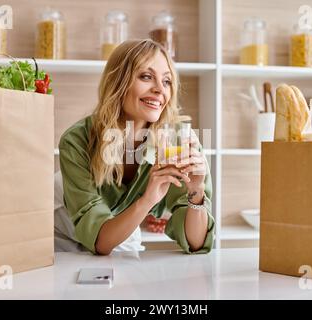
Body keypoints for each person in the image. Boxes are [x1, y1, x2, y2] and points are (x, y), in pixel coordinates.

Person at [58, 39, 214, 255]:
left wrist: (196, 191)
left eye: (167, 81)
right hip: (63, 221)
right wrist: (148, 199)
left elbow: (196, 244)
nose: (160, 89)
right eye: (146, 76)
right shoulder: (77, 141)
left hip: (119, 221)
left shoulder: (178, 139)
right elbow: (100, 242)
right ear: (118, 82)